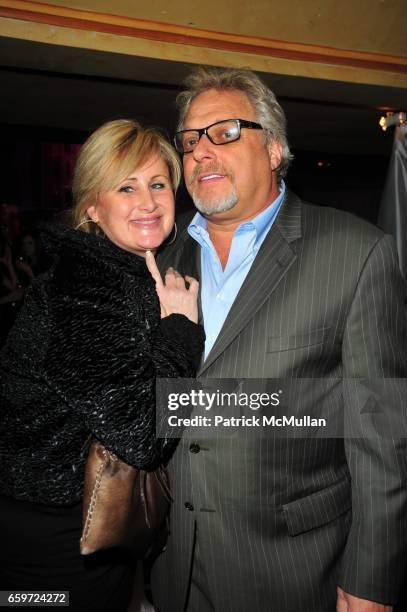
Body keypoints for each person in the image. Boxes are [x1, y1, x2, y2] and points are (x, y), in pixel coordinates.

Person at [151, 67, 407, 612]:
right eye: (190, 139)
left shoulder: (354, 252)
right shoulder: (161, 260)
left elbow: (383, 436)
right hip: (175, 567)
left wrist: (371, 581)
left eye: (223, 132)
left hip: (295, 571)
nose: (200, 151)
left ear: (273, 149)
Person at [0, 119, 204, 612]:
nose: (149, 201)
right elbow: (139, 431)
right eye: (126, 187)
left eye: (158, 184)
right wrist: (179, 327)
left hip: (75, 520)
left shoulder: (118, 271)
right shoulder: (84, 286)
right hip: (52, 537)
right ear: (93, 206)